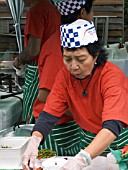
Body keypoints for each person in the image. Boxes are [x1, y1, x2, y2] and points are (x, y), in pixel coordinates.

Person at [22, 19, 128, 170]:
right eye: (67, 59)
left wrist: (81, 159)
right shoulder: (65, 76)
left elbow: (113, 125)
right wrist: (35, 140)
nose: (73, 66)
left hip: (118, 140)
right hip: (88, 138)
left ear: (96, 55)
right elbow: (48, 115)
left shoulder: (111, 76)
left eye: (81, 59)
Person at [32, 0, 95, 156]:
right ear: (82, 13)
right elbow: (45, 94)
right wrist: (82, 113)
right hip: (56, 129)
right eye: (91, 11)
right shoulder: (58, 46)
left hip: (69, 124)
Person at [13, 0, 61, 123]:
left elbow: (33, 50)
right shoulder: (52, 8)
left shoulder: (36, 11)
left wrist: (19, 59)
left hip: (37, 71)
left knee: (32, 113)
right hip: (52, 67)